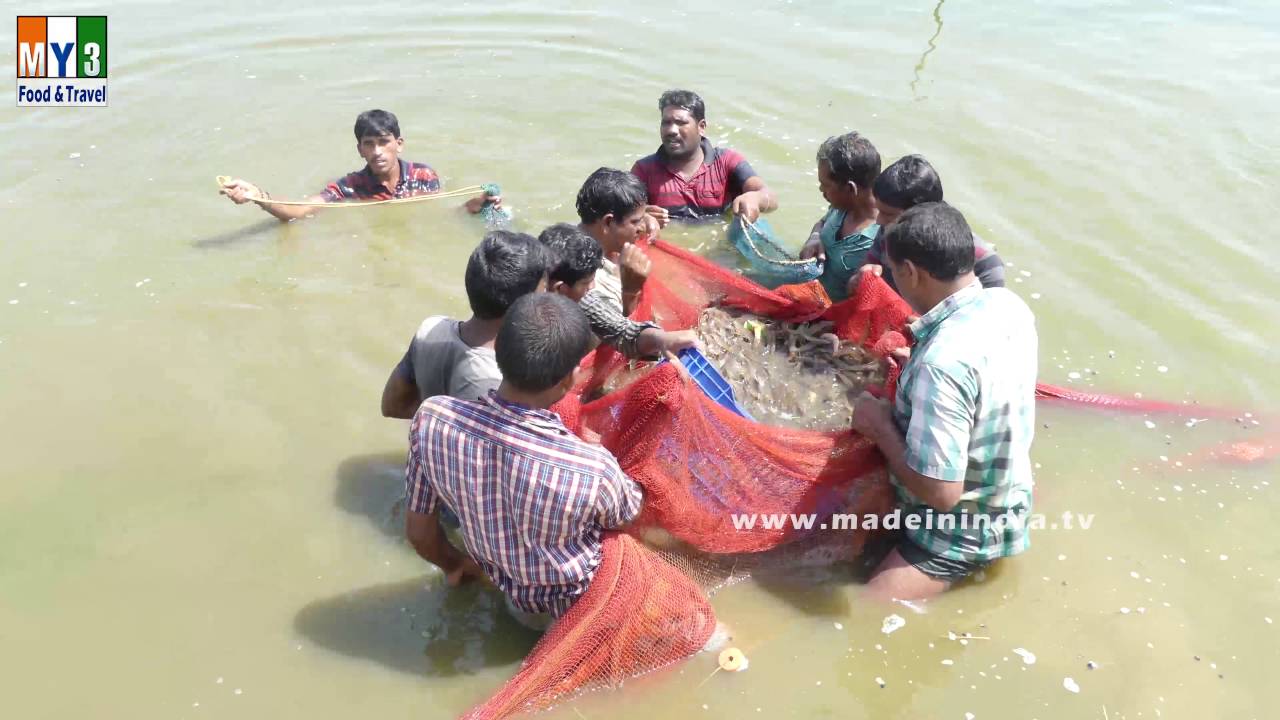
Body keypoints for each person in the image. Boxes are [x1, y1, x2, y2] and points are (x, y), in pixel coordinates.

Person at [404, 293, 644, 629]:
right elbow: (630, 515)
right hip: (582, 610)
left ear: (499, 350)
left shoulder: (431, 419)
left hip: (515, 602)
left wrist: (457, 565)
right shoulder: (593, 469)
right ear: (568, 380)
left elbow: (419, 531)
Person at [850, 202, 1037, 601]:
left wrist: (879, 426)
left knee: (861, 613)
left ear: (911, 272)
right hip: (1010, 502)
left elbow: (942, 493)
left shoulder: (943, 364)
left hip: (958, 531)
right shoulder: (1010, 307)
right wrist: (917, 366)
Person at [380, 230, 548, 418]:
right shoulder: (502, 381)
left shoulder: (430, 330)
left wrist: (438, 417)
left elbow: (392, 406)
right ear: (523, 303)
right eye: (544, 290)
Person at [220, 109, 498, 222]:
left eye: (383, 142)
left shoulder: (424, 176)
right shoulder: (351, 188)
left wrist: (472, 206)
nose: (377, 152)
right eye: (369, 144)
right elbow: (298, 211)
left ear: (398, 144)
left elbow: (438, 217)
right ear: (360, 150)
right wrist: (257, 195)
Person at [851, 155, 1006, 296]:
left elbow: (991, 322)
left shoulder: (985, 264)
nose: (879, 221)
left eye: (889, 214)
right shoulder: (889, 232)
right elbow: (857, 281)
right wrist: (860, 280)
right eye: (879, 211)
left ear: (922, 214)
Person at [538, 223, 697, 359]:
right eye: (587, 283)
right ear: (560, 289)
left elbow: (623, 332)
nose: (593, 287)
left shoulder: (584, 301)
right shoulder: (522, 311)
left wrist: (662, 340)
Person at [630, 90, 777, 225]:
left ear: (701, 127)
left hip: (722, 247)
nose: (671, 130)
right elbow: (623, 214)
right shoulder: (644, 170)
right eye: (666, 123)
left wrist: (755, 199)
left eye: (681, 123)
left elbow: (769, 197)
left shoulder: (727, 162)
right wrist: (642, 216)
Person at [798, 132, 882, 302]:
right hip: (806, 292)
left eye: (825, 185)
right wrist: (814, 238)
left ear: (850, 189)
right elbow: (821, 223)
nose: (821, 190)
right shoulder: (842, 206)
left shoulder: (882, 239)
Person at [575, 168, 657, 318]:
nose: (642, 228)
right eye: (636, 221)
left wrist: (647, 218)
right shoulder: (590, 285)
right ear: (608, 222)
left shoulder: (586, 235)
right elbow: (623, 338)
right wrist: (630, 293)